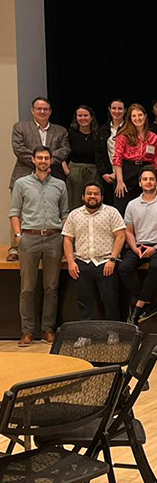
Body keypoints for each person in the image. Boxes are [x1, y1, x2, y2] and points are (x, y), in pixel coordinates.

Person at [10, 146, 68, 346]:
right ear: (33, 160)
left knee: (51, 286)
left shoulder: (60, 185)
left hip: (54, 238)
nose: (43, 161)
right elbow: (14, 212)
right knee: (27, 287)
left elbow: (65, 214)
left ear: (51, 161)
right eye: (40, 158)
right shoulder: (21, 184)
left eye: (46, 158)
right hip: (29, 238)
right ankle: (27, 331)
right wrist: (18, 237)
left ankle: (47, 329)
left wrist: (64, 238)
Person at [117, 166, 157, 325]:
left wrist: (156, 248)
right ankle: (147, 303)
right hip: (139, 245)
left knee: (156, 265)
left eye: (151, 179)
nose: (148, 182)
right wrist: (134, 248)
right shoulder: (132, 205)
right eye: (145, 179)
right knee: (124, 268)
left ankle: (138, 306)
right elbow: (128, 232)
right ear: (140, 183)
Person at [9, 97, 69, 261]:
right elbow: (19, 148)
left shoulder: (60, 131)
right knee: (19, 210)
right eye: (39, 109)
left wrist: (46, 161)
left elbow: (65, 150)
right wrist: (39, 161)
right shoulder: (21, 127)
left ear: (50, 111)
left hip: (52, 177)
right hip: (23, 174)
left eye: (45, 109)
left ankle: (57, 246)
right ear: (32, 110)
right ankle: (15, 247)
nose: (42, 111)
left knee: (54, 211)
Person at [62, 182, 126, 322]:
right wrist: (71, 262)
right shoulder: (74, 215)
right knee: (84, 301)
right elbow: (67, 240)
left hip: (106, 263)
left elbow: (121, 236)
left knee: (110, 300)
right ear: (83, 196)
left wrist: (112, 260)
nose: (92, 196)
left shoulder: (111, 212)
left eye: (96, 194)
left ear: (102, 197)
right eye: (89, 193)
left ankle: (113, 333)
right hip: (82, 264)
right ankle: (85, 335)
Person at [65, 105, 109, 212]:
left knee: (94, 202)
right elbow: (63, 153)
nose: (83, 118)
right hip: (74, 172)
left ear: (91, 117)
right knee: (74, 203)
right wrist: (67, 171)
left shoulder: (98, 134)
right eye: (80, 115)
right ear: (76, 118)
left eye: (86, 115)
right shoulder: (70, 133)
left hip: (94, 172)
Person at [99, 99, 125, 204]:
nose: (117, 111)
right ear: (109, 110)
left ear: (125, 110)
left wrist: (118, 174)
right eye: (114, 108)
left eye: (120, 108)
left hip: (124, 174)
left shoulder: (129, 129)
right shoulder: (102, 129)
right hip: (107, 175)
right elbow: (99, 154)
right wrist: (104, 173)